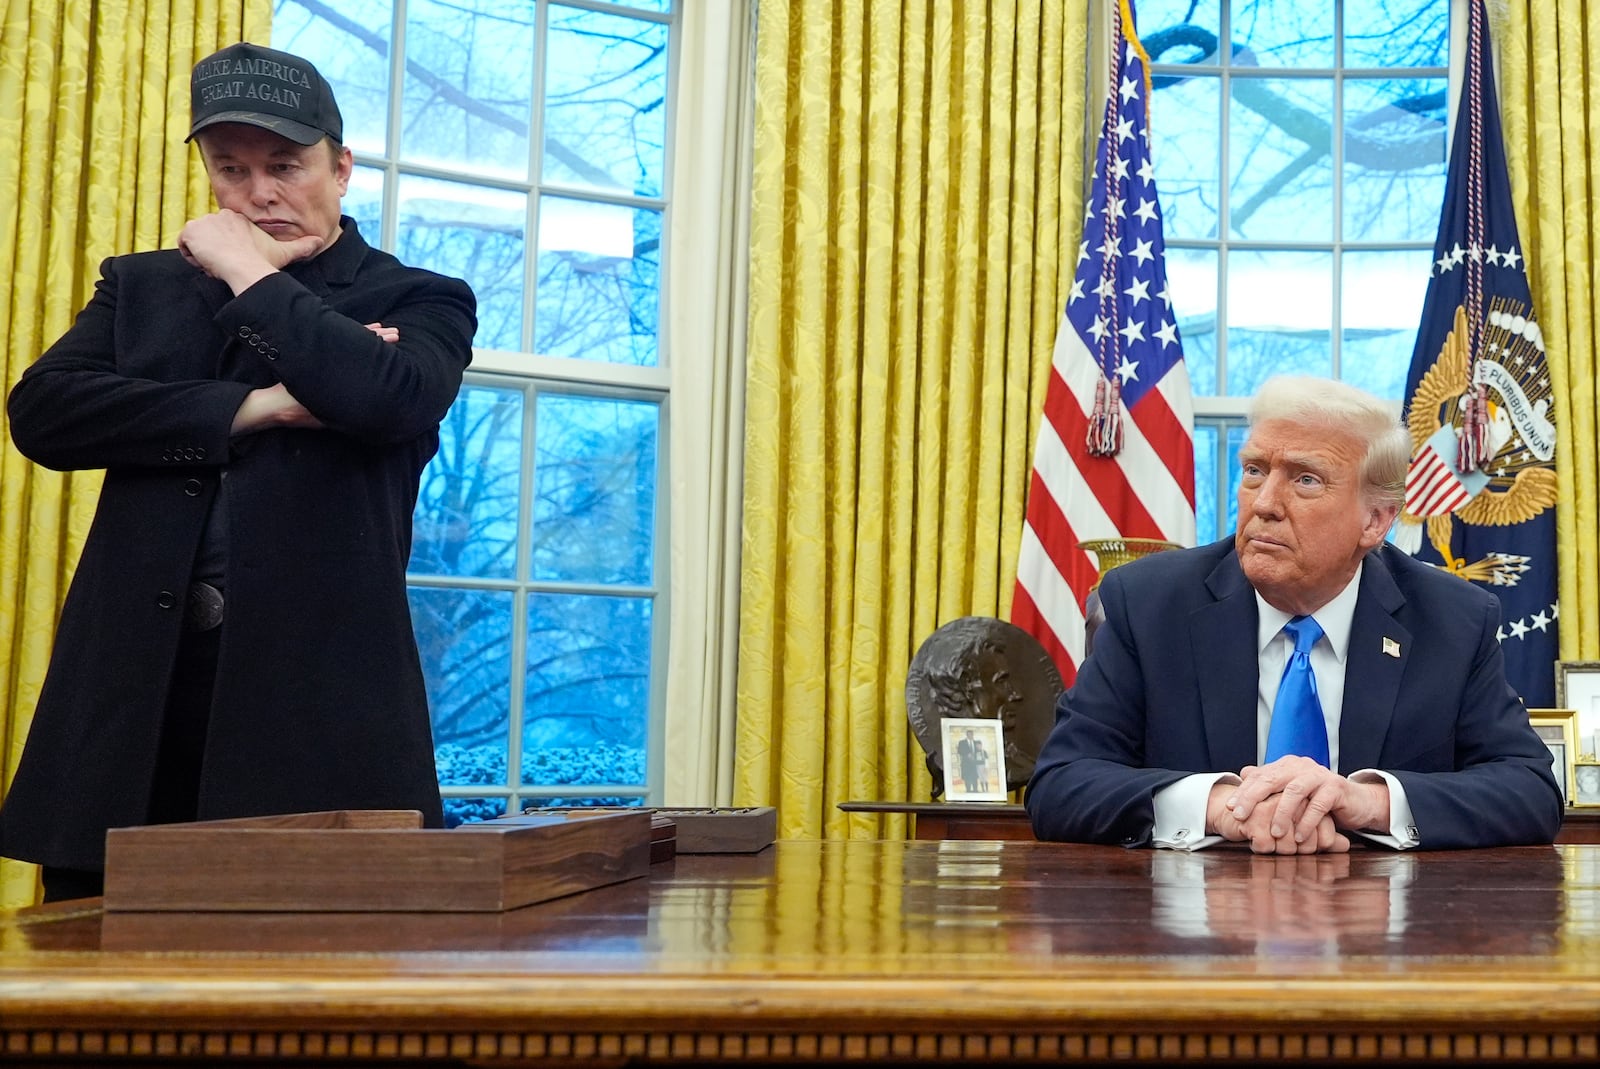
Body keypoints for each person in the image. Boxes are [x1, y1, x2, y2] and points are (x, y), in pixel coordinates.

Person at [0, 42, 476, 902]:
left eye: (286, 167)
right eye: (232, 169)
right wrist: (258, 408)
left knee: (314, 1001)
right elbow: (45, 412)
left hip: (318, 716)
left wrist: (245, 268)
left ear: (342, 167)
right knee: (87, 1002)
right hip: (130, 708)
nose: (259, 193)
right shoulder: (138, 288)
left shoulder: (420, 298)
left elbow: (391, 396)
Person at [1025, 375, 1562, 853]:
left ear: (1375, 522)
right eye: (1255, 470)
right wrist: (1220, 808)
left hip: (1386, 939)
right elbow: (1061, 783)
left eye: (1306, 479)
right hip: (1190, 937)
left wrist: (1365, 801)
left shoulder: (1453, 619)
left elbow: (1530, 791)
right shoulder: (1148, 604)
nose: (1265, 502)